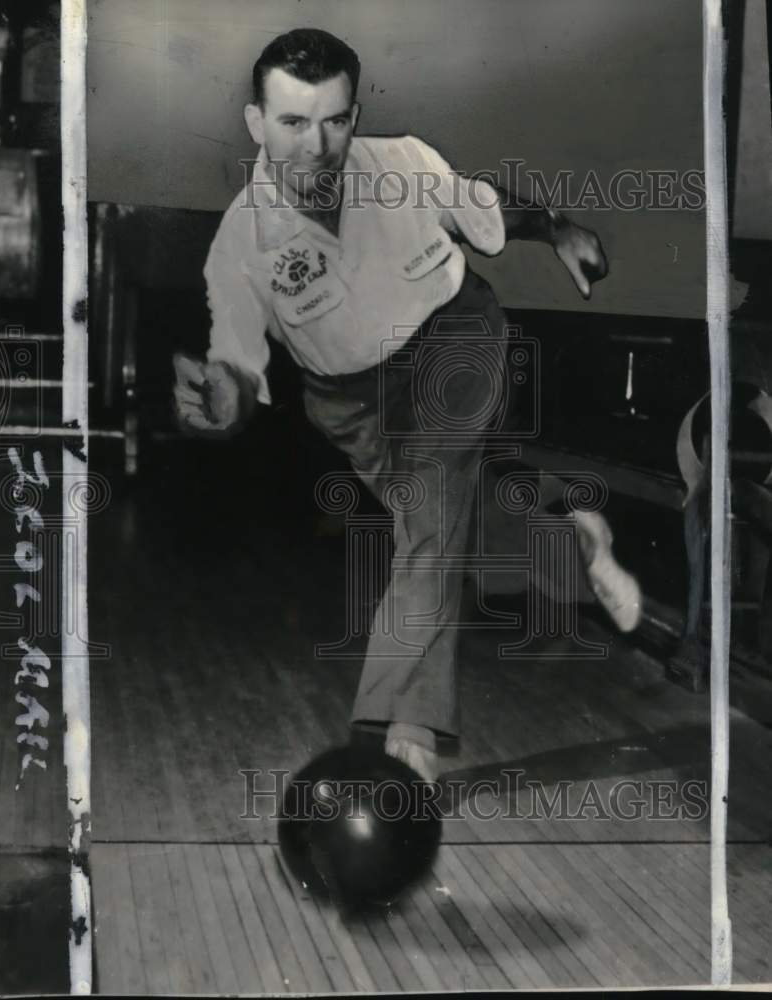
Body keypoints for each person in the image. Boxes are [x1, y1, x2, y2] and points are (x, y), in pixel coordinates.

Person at [173, 28, 642, 783]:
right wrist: (222, 397)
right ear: (257, 123)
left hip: (454, 338)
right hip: (349, 401)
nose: (316, 145)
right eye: (293, 123)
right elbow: (236, 358)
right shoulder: (239, 244)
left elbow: (487, 212)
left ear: (354, 115)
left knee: (427, 519)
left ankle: (406, 732)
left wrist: (555, 229)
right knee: (455, 529)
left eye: (334, 120)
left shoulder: (403, 164)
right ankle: (570, 532)